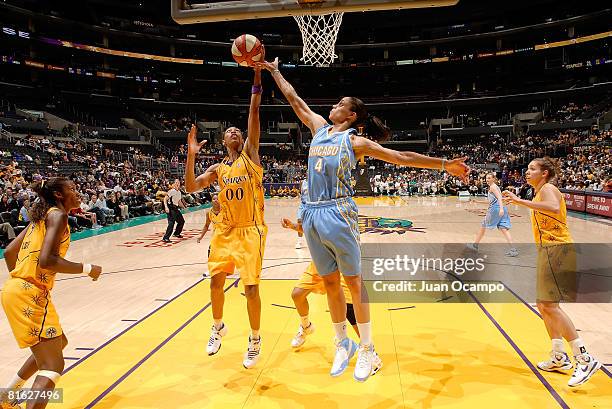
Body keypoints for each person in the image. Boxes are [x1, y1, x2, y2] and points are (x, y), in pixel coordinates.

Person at [259, 57, 470, 382]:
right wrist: (274, 72)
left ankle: (368, 349)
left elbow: (401, 157)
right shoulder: (318, 129)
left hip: (338, 211)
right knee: (329, 283)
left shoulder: (354, 142)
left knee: (353, 284)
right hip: (312, 213)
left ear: (352, 115)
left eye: (341, 104)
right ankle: (342, 341)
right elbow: (294, 99)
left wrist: (444, 165)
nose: (334, 106)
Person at [185, 68, 266, 369]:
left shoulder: (250, 156)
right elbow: (191, 187)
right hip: (225, 231)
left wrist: (257, 75)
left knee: (251, 289)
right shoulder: (218, 169)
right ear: (222, 140)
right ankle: (217, 326)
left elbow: (254, 111)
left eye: (238, 130)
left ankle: (255, 339)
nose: (234, 131)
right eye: (229, 131)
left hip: (250, 231)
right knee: (215, 283)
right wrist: (191, 155)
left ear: (244, 138)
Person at [0, 178, 102, 409]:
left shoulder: (41, 218)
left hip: (15, 289)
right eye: (73, 189)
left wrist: (22, 280)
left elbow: (8, 252)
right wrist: (87, 269)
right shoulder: (58, 216)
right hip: (27, 293)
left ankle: (6, 398)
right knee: (52, 365)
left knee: (59, 343)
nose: (78, 193)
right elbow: (47, 261)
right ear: (58, 194)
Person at [503, 157, 602, 387]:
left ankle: (584, 358)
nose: (527, 172)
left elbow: (554, 208)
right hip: (547, 251)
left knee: (550, 306)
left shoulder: (549, 188)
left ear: (545, 173)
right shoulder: (538, 192)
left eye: (532, 169)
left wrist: (520, 202)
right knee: (543, 304)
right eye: (527, 168)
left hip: (558, 250)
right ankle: (559, 355)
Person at [467, 173, 518, 256]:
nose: (487, 180)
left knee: (483, 227)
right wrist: (477, 201)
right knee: (504, 229)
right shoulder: (496, 187)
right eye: (486, 178)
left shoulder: (493, 187)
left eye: (489, 178)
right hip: (502, 209)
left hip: (495, 210)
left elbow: (499, 198)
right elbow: (493, 200)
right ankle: (513, 249)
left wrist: (500, 208)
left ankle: (475, 245)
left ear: (494, 179)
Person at [162, 179, 186, 243]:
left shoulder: (179, 192)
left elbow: (179, 201)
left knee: (181, 221)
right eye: (176, 182)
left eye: (178, 182)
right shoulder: (172, 191)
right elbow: (165, 199)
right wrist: (166, 207)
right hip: (170, 208)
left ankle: (176, 233)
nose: (177, 183)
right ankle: (165, 237)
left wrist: (183, 207)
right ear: (174, 184)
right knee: (171, 223)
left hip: (175, 208)